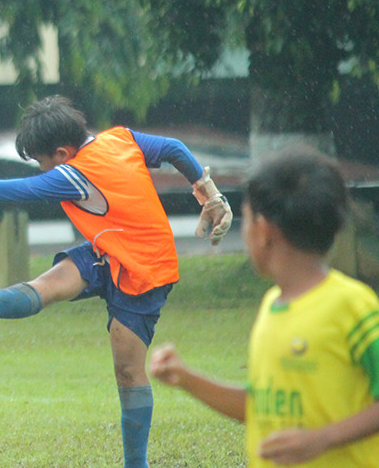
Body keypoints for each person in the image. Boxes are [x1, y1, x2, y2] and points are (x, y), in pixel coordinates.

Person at [0, 95, 233, 468]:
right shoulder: (120, 138)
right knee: (49, 283)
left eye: (41, 162)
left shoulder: (74, 174)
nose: (42, 172)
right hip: (107, 248)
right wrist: (209, 193)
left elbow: (18, 191)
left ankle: (137, 465)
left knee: (128, 369)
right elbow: (174, 148)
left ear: (62, 152)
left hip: (145, 269)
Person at [149, 147, 379, 466]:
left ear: (264, 230)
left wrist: (322, 439)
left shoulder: (352, 306)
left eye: (245, 219)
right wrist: (187, 379)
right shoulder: (272, 306)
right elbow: (260, 406)